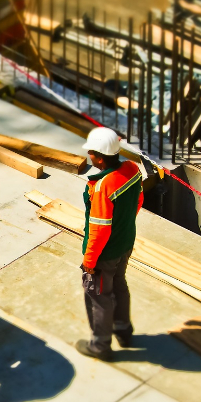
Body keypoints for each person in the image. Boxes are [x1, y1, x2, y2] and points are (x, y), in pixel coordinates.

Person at [76, 127, 144, 361]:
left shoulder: (104, 184)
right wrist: (124, 227)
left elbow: (99, 228)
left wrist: (89, 261)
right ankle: (124, 331)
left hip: (105, 252)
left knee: (98, 295)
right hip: (125, 243)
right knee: (119, 285)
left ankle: (100, 346)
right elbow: (139, 199)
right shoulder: (132, 170)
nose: (89, 157)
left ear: (100, 157)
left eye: (92, 153)